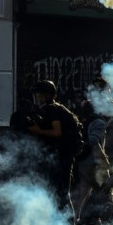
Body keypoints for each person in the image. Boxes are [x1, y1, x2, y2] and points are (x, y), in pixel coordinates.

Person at [27, 80, 84, 210]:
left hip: (60, 157)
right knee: (61, 192)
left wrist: (38, 130)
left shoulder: (52, 109)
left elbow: (57, 131)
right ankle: (66, 223)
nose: (37, 98)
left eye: (39, 95)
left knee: (60, 192)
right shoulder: (58, 108)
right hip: (63, 156)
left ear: (47, 95)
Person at [72, 100, 113, 225]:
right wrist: (104, 160)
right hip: (95, 164)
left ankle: (73, 221)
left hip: (82, 162)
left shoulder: (84, 122)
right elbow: (94, 141)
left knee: (81, 194)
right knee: (107, 193)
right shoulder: (99, 123)